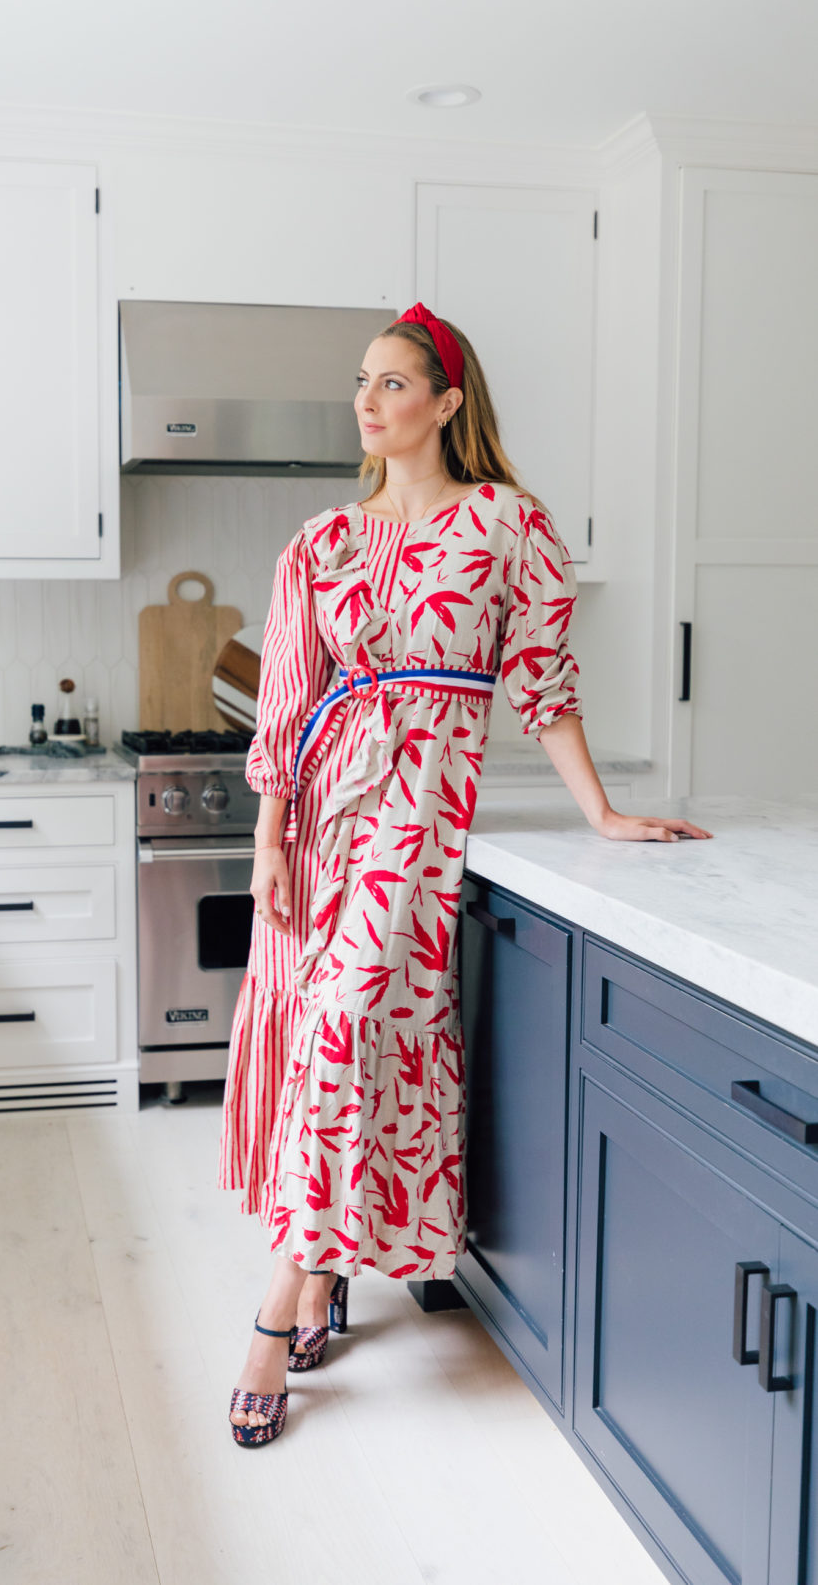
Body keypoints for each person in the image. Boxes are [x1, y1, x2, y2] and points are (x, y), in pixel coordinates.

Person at [218, 303, 712, 1448]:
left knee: (344, 1031)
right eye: (362, 381)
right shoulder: (321, 542)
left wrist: (602, 811)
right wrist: (264, 840)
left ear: (446, 403)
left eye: (393, 383)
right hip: (320, 810)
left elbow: (539, 678)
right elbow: (286, 700)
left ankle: (274, 1311)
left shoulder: (507, 525)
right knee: (321, 1040)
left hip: (418, 808)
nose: (368, 399)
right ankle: (326, 1273)